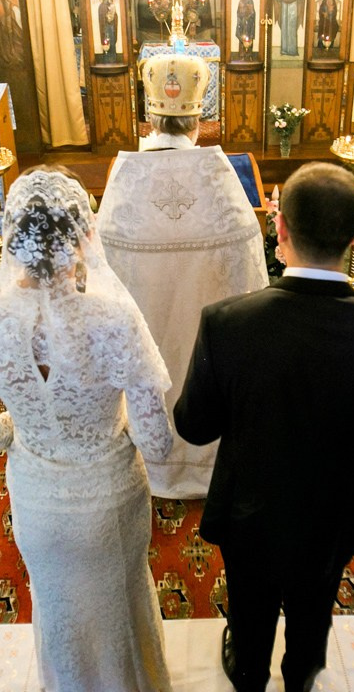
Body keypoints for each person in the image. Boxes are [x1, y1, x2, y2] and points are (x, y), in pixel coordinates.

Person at [173, 162, 354, 692]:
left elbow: (194, 428)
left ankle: (247, 671)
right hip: (333, 514)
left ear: (279, 227)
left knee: (250, 605)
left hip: (249, 514)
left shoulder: (227, 323)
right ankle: (302, 675)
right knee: (314, 607)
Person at [0, 167, 174, 692]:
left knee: (59, 618)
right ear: (82, 237)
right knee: (124, 608)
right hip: (111, 496)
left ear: (12, 239)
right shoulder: (116, 316)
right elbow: (157, 443)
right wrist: (107, 419)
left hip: (40, 504)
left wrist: (24, 423)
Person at [97, 53, 268, 499]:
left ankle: (147, 456)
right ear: (198, 122)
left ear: (149, 118)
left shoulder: (124, 181)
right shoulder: (220, 180)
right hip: (206, 359)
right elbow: (250, 281)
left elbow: (99, 280)